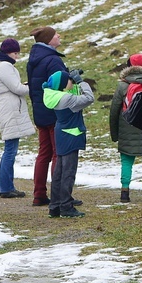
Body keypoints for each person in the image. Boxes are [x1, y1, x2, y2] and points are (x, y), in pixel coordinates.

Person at [0, 38, 35, 198]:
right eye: (15, 53)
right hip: (10, 108)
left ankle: (2, 186)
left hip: (5, 106)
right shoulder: (5, 66)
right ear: (8, 53)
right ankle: (6, 187)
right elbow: (17, 88)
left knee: (9, 148)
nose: (17, 57)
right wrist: (32, 87)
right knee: (10, 150)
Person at [43, 70, 94, 218]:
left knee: (59, 172)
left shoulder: (54, 95)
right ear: (64, 84)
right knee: (68, 173)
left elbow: (77, 97)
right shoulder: (67, 99)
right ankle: (66, 206)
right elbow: (89, 98)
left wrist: (72, 82)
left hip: (61, 133)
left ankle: (55, 205)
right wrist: (81, 81)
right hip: (72, 135)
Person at [26, 26, 68, 206]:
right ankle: (59, 195)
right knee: (58, 153)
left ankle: (39, 194)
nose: (58, 36)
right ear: (48, 40)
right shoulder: (53, 60)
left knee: (44, 153)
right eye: (55, 34)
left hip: (40, 111)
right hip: (55, 112)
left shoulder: (33, 59)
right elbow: (61, 87)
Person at [109, 53, 142, 203]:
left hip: (127, 129)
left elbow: (114, 110)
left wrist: (115, 134)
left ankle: (124, 192)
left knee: (126, 161)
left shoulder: (122, 85)